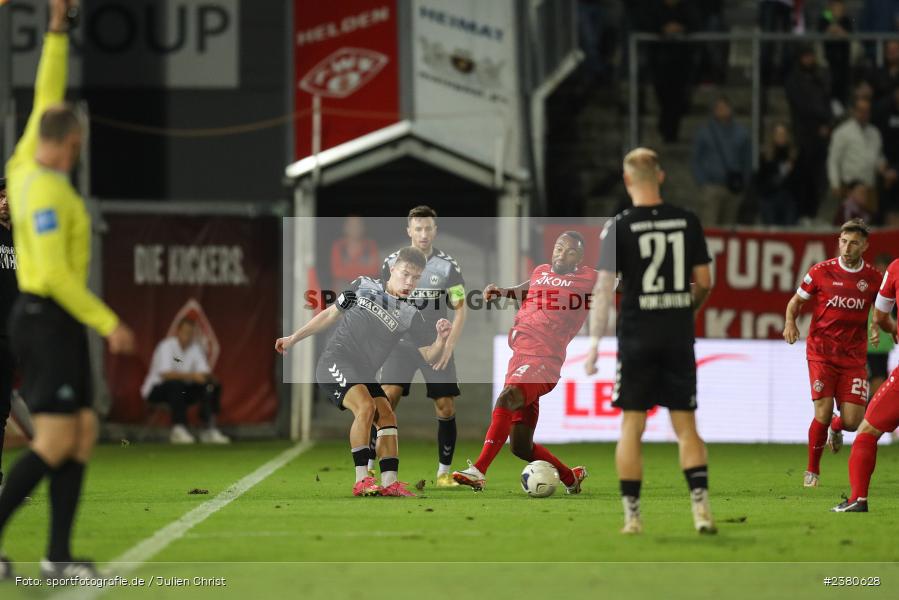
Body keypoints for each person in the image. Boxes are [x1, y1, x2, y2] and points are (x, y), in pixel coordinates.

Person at [0, 0, 136, 580]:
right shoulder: (46, 193)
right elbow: (55, 277)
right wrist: (109, 323)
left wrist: (59, 27)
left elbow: (46, 92)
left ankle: (57, 554)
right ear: (61, 145)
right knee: (54, 439)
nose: (76, 153)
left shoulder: (28, 160)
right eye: (75, 146)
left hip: (58, 319)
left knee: (82, 431)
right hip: (46, 316)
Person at [584, 147, 715, 535]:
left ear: (627, 181)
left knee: (632, 425)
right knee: (686, 426)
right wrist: (686, 309)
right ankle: (701, 512)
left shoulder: (619, 226)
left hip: (638, 336)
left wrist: (593, 345)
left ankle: (633, 517)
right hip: (677, 335)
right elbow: (705, 281)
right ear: (660, 176)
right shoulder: (687, 221)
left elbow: (604, 290)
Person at [276, 246, 451, 497]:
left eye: (415, 277)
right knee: (366, 407)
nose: (409, 282)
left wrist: (442, 341)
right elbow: (329, 315)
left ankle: (390, 483)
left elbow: (429, 356)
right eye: (405, 274)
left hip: (364, 372)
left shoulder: (411, 315)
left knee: (387, 415)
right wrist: (293, 338)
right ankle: (362, 481)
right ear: (393, 269)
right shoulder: (363, 285)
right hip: (335, 361)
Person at [452, 232, 594, 494]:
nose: (562, 254)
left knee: (506, 398)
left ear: (580, 258)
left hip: (544, 359)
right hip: (519, 356)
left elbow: (619, 285)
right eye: (559, 247)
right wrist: (503, 292)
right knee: (520, 446)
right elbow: (530, 288)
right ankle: (570, 477)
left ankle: (479, 471)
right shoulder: (541, 271)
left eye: (570, 252)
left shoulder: (588, 278)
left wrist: (671, 287)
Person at [783, 219, 882, 489]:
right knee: (822, 412)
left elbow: (881, 308)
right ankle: (812, 471)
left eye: (853, 243)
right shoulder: (820, 271)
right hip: (821, 352)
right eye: (843, 241)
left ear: (864, 246)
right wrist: (790, 323)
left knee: (852, 422)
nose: (846, 247)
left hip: (852, 357)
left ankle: (837, 428)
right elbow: (796, 302)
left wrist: (875, 325)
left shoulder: (873, 277)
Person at [378, 206, 466, 487]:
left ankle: (443, 473)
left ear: (435, 230)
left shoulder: (448, 266)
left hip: (435, 345)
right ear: (409, 231)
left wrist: (449, 345)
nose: (424, 234)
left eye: (428, 228)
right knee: (386, 399)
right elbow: (382, 304)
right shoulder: (391, 262)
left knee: (445, 405)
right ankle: (368, 466)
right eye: (418, 229)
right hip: (399, 344)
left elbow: (461, 309)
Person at [832, 256, 899, 512]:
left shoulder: (895, 269)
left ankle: (858, 499)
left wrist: (890, 327)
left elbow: (881, 316)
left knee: (867, 431)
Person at [141, 318, 230, 445]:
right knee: (176, 385)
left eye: (191, 333)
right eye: (185, 332)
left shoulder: (195, 348)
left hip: (183, 392)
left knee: (211, 386)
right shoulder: (166, 346)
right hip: (157, 390)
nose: (188, 336)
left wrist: (209, 378)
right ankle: (178, 429)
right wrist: (193, 376)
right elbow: (166, 375)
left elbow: (203, 372)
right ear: (178, 332)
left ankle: (208, 428)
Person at [785, 45, 832, 221]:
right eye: (805, 56)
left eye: (811, 56)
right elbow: (804, 107)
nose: (809, 60)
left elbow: (827, 101)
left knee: (818, 179)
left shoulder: (819, 77)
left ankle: (813, 213)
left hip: (821, 139)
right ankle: (801, 215)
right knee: (803, 178)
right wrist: (822, 118)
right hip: (803, 137)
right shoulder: (794, 80)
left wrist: (828, 123)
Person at [645, 0, 701, 143]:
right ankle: (665, 128)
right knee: (664, 98)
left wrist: (680, 28)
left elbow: (695, 25)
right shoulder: (655, 8)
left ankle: (671, 133)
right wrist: (663, 29)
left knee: (677, 99)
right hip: (660, 63)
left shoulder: (687, 8)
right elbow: (647, 25)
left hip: (681, 63)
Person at [690, 95, 752, 226]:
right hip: (711, 187)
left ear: (731, 109)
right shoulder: (705, 132)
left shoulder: (742, 133)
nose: (722, 110)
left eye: (725, 107)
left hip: (734, 187)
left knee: (730, 226)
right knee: (709, 224)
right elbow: (696, 159)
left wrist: (744, 181)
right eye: (719, 108)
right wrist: (702, 182)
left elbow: (747, 159)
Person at [828, 97, 896, 212]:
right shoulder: (842, 132)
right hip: (850, 188)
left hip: (869, 187)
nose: (864, 114)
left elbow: (878, 157)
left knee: (869, 225)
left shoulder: (875, 133)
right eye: (861, 110)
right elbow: (833, 160)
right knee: (850, 224)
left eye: (867, 111)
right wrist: (834, 183)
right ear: (854, 111)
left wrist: (884, 169)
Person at [0, 178, 18, 492]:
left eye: (8, 196)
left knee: (2, 412)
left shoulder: (22, 242)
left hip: (9, 339)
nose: (3, 201)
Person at [757, 122, 799, 225]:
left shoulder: (794, 156)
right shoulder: (766, 156)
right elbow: (761, 179)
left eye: (783, 134)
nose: (781, 137)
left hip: (789, 199)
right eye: (778, 134)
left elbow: (800, 181)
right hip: (770, 198)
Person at [867, 255, 894, 401]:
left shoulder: (892, 291)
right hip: (867, 347)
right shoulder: (868, 289)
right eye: (878, 270)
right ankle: (865, 420)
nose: (881, 274)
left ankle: (865, 420)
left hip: (883, 347)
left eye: (884, 271)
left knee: (880, 384)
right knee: (876, 384)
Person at [330, 215, 380, 293]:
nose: (355, 228)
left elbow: (374, 271)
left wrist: (349, 267)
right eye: (351, 225)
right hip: (343, 290)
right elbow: (337, 272)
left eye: (357, 225)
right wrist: (362, 268)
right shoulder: (338, 246)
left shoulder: (370, 246)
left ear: (363, 227)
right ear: (345, 227)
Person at [818, 0, 853, 111]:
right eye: (836, 7)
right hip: (827, 60)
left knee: (842, 82)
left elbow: (849, 34)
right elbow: (823, 31)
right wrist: (833, 29)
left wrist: (839, 31)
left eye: (840, 7)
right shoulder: (824, 18)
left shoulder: (846, 20)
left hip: (843, 60)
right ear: (831, 7)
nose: (838, 10)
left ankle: (842, 106)